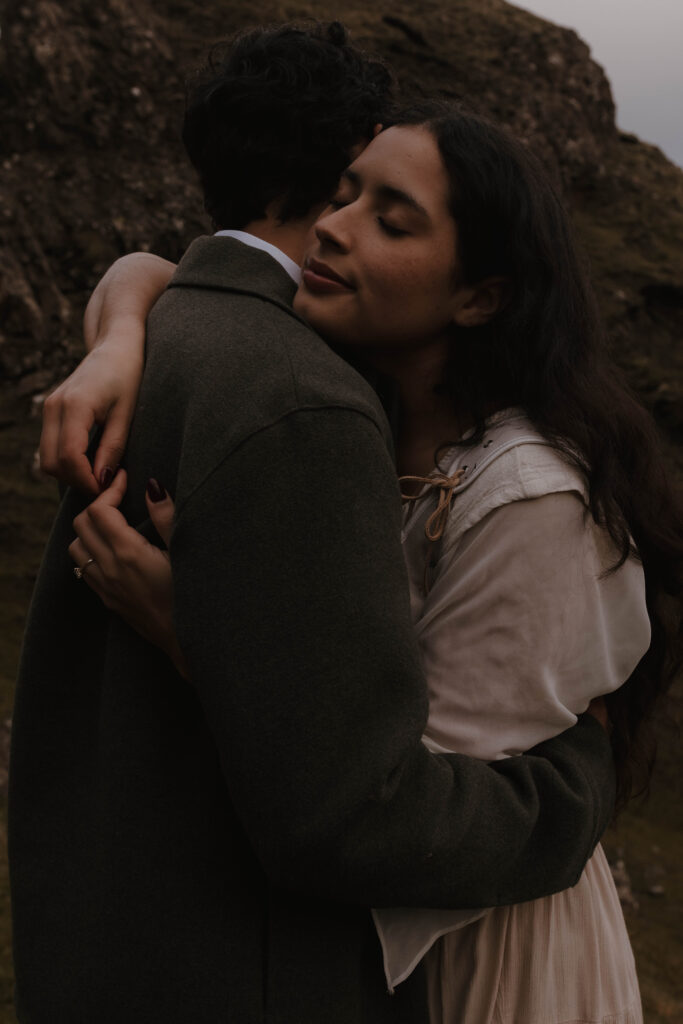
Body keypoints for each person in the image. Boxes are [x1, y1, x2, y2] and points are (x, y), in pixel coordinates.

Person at [10, 26, 622, 1024]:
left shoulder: (188, 337)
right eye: (346, 193)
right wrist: (578, 782)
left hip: (120, 939)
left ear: (481, 295)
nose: (343, 227)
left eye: (387, 213)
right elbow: (352, 807)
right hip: (250, 963)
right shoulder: (305, 399)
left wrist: (195, 627)